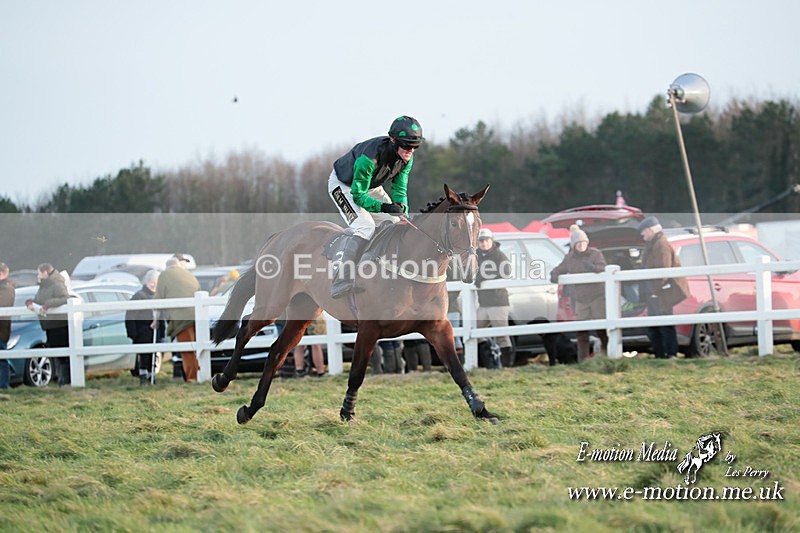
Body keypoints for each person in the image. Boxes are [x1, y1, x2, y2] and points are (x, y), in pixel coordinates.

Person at [327, 115, 424, 298]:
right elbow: (358, 195)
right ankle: (342, 278)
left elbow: (400, 189)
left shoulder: (407, 158)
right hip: (345, 186)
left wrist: (402, 210)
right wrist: (386, 208)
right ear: (394, 141)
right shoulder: (368, 158)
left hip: (371, 186)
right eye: (406, 145)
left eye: (414, 147)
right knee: (366, 226)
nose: (410, 151)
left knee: (397, 221)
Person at [550, 224, 608, 362]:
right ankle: (583, 360)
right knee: (582, 331)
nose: (581, 245)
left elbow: (604, 267)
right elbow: (560, 268)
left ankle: (607, 354)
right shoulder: (570, 257)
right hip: (581, 299)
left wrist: (594, 268)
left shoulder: (595, 254)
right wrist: (554, 274)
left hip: (597, 296)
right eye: (578, 243)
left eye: (583, 242)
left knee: (602, 329)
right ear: (574, 245)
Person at [637, 216, 690, 359]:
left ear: (650, 230)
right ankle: (662, 353)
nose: (642, 235)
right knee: (657, 324)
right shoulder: (656, 244)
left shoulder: (661, 245)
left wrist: (654, 291)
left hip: (661, 292)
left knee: (664, 323)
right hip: (658, 291)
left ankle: (669, 353)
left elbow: (663, 270)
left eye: (643, 231)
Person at [155, 254, 201, 382]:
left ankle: (193, 378)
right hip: (198, 315)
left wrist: (155, 319)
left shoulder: (164, 275)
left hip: (181, 318)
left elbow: (158, 299)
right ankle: (199, 374)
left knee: (187, 350)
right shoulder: (189, 274)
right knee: (198, 347)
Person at [26, 263, 71, 386]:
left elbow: (65, 298)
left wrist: (48, 304)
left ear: (45, 272)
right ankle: (61, 381)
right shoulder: (43, 286)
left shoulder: (56, 283)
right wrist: (30, 303)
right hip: (49, 325)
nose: (38, 276)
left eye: (39, 273)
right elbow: (39, 300)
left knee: (63, 355)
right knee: (56, 353)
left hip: (59, 325)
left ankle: (66, 381)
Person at [475, 228, 514, 368]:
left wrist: (483, 277)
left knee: (502, 334)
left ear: (491, 241)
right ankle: (490, 362)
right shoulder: (476, 255)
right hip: (483, 302)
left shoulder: (499, 255)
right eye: (481, 241)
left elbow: (506, 272)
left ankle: (507, 365)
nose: (484, 243)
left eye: (486, 240)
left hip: (498, 302)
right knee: (475, 331)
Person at [125, 270, 165, 385]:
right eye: (152, 282)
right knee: (144, 356)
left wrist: (161, 331)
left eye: (156, 282)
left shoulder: (158, 296)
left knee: (154, 356)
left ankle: (151, 376)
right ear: (147, 282)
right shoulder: (139, 296)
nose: (154, 285)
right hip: (142, 331)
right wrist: (133, 334)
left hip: (155, 332)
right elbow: (130, 316)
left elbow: (161, 314)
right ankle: (143, 376)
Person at [0, 262, 15, 390]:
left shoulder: (6, 287)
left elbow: (2, 304)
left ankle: (3, 385)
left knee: (2, 359)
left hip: (1, 329)